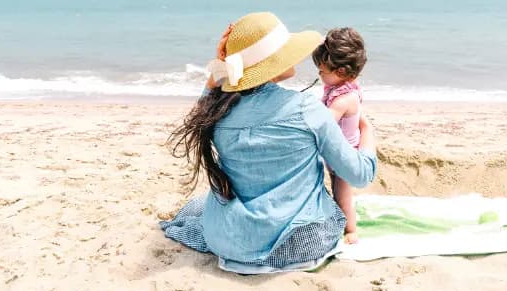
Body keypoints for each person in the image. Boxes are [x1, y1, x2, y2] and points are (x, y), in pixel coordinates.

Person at [160, 12, 377, 271]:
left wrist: (222, 64)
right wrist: (367, 130)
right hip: (299, 243)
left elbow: (203, 106)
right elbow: (360, 175)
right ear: (271, 63)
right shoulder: (306, 110)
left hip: (230, 239)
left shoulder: (216, 112)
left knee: (200, 206)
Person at [311, 27, 368, 244]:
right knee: (337, 188)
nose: (319, 75)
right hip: (337, 154)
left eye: (322, 71)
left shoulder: (344, 100)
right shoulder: (343, 88)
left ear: (342, 72)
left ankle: (350, 230)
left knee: (342, 194)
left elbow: (324, 122)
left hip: (344, 157)